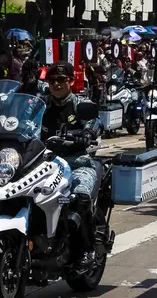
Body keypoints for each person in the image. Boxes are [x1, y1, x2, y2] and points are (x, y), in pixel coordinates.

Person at [41, 62, 103, 268]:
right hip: (42, 163)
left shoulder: (79, 104)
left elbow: (95, 121)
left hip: (76, 162)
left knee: (80, 198)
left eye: (61, 80)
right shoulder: (40, 105)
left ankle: (86, 250)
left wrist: (88, 133)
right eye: (52, 81)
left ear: (71, 81)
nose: (56, 84)